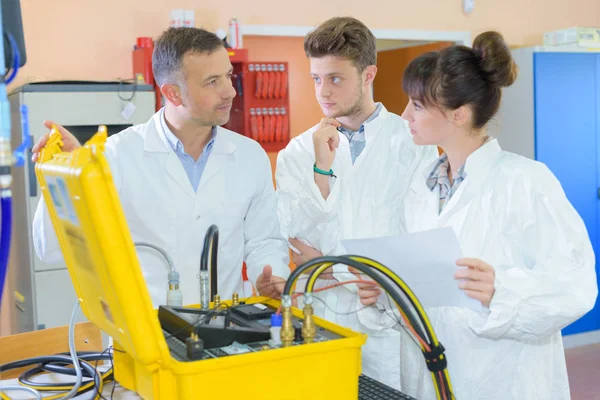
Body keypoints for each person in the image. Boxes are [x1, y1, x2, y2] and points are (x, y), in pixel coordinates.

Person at [364, 31, 597, 399]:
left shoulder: (526, 182)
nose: (405, 114)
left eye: (418, 106)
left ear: (458, 114)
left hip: (504, 379)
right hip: (431, 373)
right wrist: (386, 289)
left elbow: (576, 286)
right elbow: (424, 286)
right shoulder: (420, 188)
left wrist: (501, 291)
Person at [31, 27, 290, 308]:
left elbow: (264, 239)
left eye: (228, 76)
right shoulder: (114, 155)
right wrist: (70, 175)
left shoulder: (250, 156)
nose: (230, 91)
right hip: (145, 330)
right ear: (173, 93)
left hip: (223, 328)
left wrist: (269, 273)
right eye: (212, 81)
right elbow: (53, 249)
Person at [274, 16, 438, 390]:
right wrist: (321, 169)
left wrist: (369, 273)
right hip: (325, 320)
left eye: (335, 78)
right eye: (316, 78)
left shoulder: (413, 144)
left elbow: (423, 232)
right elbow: (298, 241)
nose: (323, 92)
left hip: (391, 313)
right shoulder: (298, 152)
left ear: (368, 75)